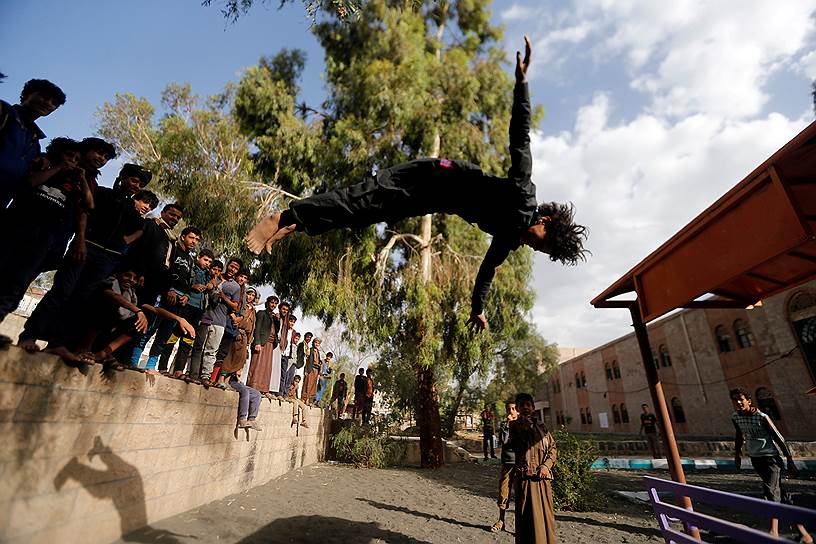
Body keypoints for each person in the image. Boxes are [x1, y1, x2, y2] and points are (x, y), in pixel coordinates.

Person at [245, 37, 588, 333]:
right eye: (542, 245)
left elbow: (487, 271)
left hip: (428, 200)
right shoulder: (524, 194)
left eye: (541, 252)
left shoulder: (510, 238)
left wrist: (477, 309)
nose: (534, 248)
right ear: (547, 222)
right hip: (433, 175)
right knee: (359, 199)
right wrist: (521, 84)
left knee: (360, 216)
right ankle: (283, 217)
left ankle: (297, 224)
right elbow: (520, 137)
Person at [731, 388, 812, 542]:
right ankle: (804, 534)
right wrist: (737, 454)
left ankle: (773, 532)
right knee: (781, 496)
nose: (739, 403)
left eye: (741, 399)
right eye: (735, 400)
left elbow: (779, 438)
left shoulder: (762, 417)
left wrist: (790, 461)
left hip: (771, 459)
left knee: (770, 491)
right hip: (756, 459)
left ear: (748, 400)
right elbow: (739, 435)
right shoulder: (736, 417)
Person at [142, 226, 201, 372]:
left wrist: (186, 296)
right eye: (192, 238)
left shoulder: (191, 260)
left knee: (164, 335)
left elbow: (189, 281)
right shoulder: (172, 249)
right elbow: (164, 271)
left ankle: (151, 365)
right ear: (183, 237)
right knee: (149, 328)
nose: (194, 242)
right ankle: (133, 360)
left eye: (197, 240)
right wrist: (168, 290)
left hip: (179, 301)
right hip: (164, 296)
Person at [1, 78, 66, 208]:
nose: (48, 103)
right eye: (44, 97)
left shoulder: (35, 143)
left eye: (54, 103)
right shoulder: (5, 112)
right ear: (26, 95)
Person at [510, 392, 556, 544]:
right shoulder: (514, 426)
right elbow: (519, 446)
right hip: (525, 481)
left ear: (533, 408)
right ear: (517, 408)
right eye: (521, 406)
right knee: (527, 519)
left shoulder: (542, 427)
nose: (525, 408)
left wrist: (546, 465)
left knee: (545, 518)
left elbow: (552, 448)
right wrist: (526, 425)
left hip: (542, 479)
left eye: (528, 405)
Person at [161, 248, 214, 377]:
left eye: (209, 261)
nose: (207, 263)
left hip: (199, 310)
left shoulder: (208, 275)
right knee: (174, 336)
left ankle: (179, 370)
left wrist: (211, 285)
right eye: (205, 260)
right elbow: (183, 284)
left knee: (188, 340)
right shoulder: (191, 269)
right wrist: (193, 287)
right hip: (187, 306)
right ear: (198, 258)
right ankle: (162, 367)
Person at [219, 286, 258, 384]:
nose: (250, 297)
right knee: (229, 357)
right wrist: (236, 331)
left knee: (239, 360)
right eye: (249, 294)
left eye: (253, 295)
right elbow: (235, 317)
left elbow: (252, 326)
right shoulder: (241, 305)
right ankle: (221, 379)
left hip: (245, 337)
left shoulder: (253, 310)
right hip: (236, 333)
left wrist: (249, 341)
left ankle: (228, 381)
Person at [492, 399, 518, 533]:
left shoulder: (523, 424)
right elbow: (503, 441)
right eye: (509, 409)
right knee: (503, 492)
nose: (511, 411)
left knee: (521, 494)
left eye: (513, 409)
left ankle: (521, 524)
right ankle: (501, 520)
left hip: (520, 464)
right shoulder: (504, 425)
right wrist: (507, 425)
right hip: (507, 463)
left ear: (518, 410)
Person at [246, 295, 280, 394]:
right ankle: (253, 385)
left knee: (266, 367)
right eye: (272, 302)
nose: (273, 305)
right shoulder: (261, 313)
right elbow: (257, 328)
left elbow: (276, 330)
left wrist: (277, 320)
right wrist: (257, 343)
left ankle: (263, 388)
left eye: (275, 303)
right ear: (268, 303)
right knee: (257, 365)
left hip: (270, 344)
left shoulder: (274, 317)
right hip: (262, 343)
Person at [302, 337, 322, 405]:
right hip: (310, 369)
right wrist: (306, 370)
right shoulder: (310, 350)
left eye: (318, 343)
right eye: (316, 342)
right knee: (308, 384)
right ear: (313, 343)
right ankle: (305, 399)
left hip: (316, 370)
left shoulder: (319, 352)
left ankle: (309, 399)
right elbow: (307, 361)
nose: (317, 344)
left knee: (313, 386)